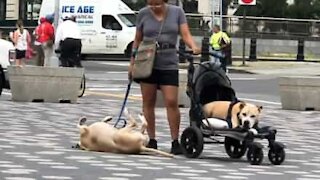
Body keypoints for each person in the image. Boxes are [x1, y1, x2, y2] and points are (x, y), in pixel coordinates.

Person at [128, 0, 200, 155]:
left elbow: (185, 34)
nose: (154, 7)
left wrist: (193, 46)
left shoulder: (177, 12)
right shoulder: (143, 14)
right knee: (148, 101)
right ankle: (152, 139)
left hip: (169, 63)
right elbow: (137, 40)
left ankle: (175, 140)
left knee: (171, 101)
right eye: (151, 4)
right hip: (147, 62)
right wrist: (132, 63)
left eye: (157, 4)